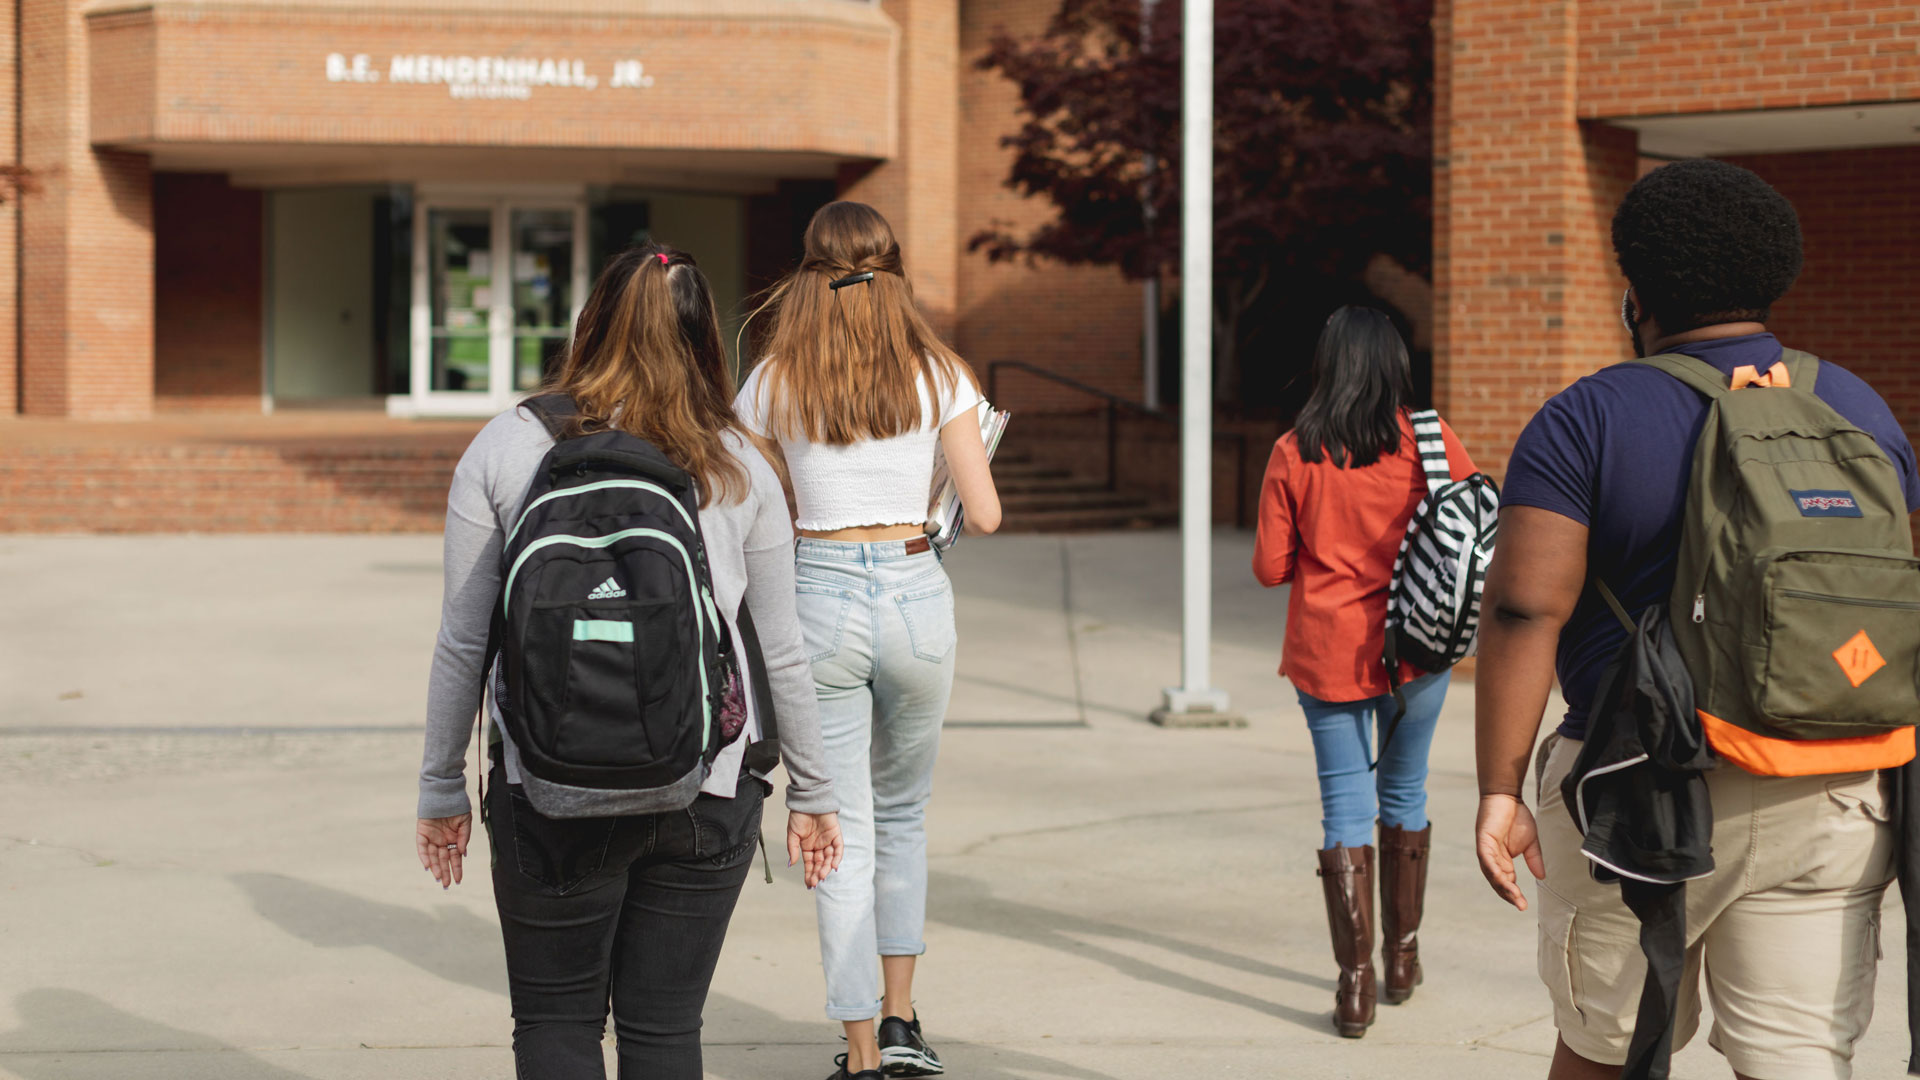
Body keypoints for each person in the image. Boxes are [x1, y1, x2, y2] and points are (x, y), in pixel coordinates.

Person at [1474, 158, 1920, 1080]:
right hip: (1831, 781)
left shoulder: (1589, 416)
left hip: (1637, 786)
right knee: (1799, 1060)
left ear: (1635, 289)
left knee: (1607, 1048)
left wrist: (1502, 787)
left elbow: (1525, 606)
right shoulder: (1857, 407)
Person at [413, 242, 845, 1080]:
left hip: (545, 786)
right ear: (705, 337)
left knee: (555, 1023)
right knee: (663, 1032)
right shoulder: (737, 459)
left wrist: (439, 787)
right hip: (705, 785)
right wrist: (815, 792)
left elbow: (465, 638)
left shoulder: (507, 447)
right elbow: (781, 649)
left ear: (589, 323)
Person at [734, 201, 1001, 1080]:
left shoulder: (776, 378)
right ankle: (899, 1023)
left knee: (831, 823)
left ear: (810, 271)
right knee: (905, 816)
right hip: (917, 592)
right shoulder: (942, 374)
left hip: (819, 598)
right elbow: (987, 513)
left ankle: (855, 1051)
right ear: (894, 268)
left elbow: (746, 500)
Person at [1252, 305, 1478, 1038]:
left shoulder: (1294, 450)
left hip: (1328, 651)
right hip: (1419, 647)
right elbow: (1475, 529)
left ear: (1328, 365)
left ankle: (1356, 987)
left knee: (1343, 809)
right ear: (1395, 366)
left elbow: (1268, 569)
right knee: (1406, 790)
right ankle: (1404, 957)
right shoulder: (1435, 442)